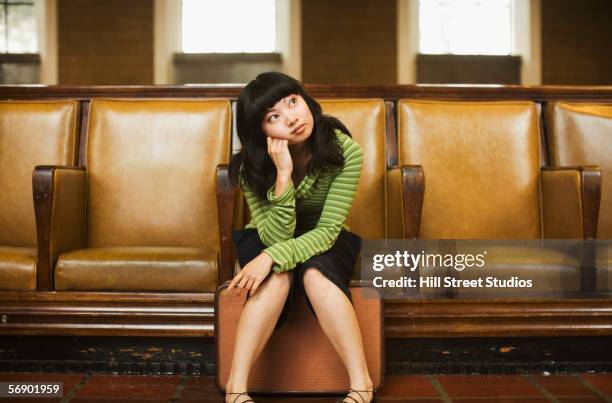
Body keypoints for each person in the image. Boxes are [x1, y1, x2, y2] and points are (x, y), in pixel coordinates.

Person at [225, 72, 373, 403]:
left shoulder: (344, 151)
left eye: (292, 102)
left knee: (316, 275)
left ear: (305, 99)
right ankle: (236, 390)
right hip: (267, 235)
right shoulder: (252, 167)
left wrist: (270, 257)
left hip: (325, 234)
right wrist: (283, 174)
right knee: (276, 280)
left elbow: (327, 230)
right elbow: (274, 235)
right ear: (260, 131)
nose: (291, 118)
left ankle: (361, 385)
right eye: (273, 117)